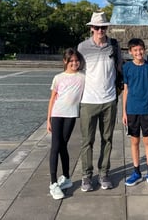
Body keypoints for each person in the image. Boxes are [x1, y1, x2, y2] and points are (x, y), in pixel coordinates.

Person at [77, 11, 122, 192]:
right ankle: (86, 176)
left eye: (103, 27)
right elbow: (76, 70)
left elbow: (119, 68)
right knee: (87, 140)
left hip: (109, 99)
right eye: (97, 27)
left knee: (107, 139)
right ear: (91, 29)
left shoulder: (114, 45)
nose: (100, 30)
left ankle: (104, 172)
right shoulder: (82, 47)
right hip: (88, 100)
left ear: (107, 28)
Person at [47, 48, 85, 200]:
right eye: (71, 61)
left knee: (63, 145)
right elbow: (52, 98)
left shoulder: (83, 77)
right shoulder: (58, 78)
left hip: (71, 115)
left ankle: (67, 178)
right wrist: (48, 119)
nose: (75, 63)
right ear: (65, 62)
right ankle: (53, 182)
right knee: (55, 147)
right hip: (57, 114)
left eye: (76, 60)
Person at [122, 38, 148, 189]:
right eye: (135, 50)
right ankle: (136, 171)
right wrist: (124, 111)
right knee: (134, 141)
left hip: (146, 109)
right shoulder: (127, 67)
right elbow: (126, 90)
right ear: (130, 52)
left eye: (140, 49)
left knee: (147, 141)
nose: (138, 52)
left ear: (144, 50)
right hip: (132, 110)